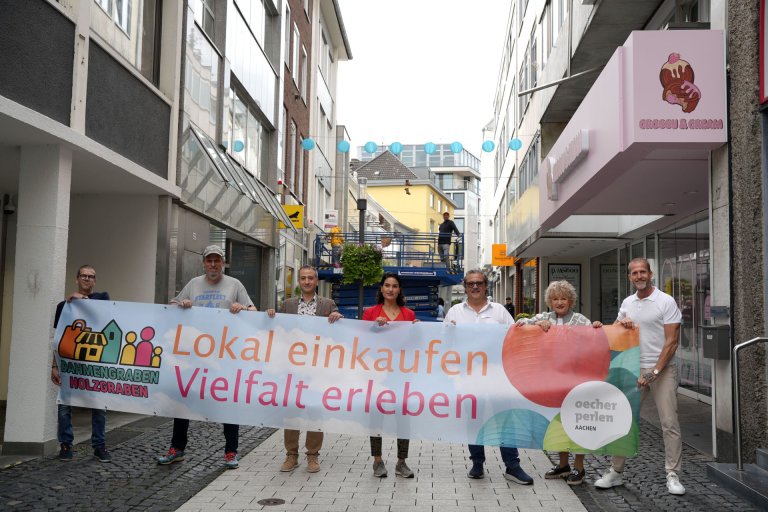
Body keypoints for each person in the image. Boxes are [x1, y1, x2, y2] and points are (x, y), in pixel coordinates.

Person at [157, 245, 256, 470]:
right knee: (183, 400)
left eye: (217, 261)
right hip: (195, 355)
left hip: (224, 355)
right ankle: (177, 448)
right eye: (209, 261)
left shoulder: (234, 285)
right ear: (204, 263)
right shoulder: (193, 284)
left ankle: (231, 451)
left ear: (223, 263)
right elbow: (170, 307)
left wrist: (242, 308)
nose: (213, 264)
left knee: (227, 401)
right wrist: (181, 305)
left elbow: (254, 311)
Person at [594, 257, 685, 495]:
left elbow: (672, 342)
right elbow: (616, 334)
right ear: (630, 277)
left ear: (650, 274)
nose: (639, 276)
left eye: (642, 272)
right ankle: (616, 472)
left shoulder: (665, 301)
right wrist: (606, 326)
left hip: (661, 370)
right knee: (624, 420)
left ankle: (673, 474)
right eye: (634, 273)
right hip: (634, 369)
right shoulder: (628, 302)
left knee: (669, 423)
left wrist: (654, 372)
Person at [443, 270, 534, 485]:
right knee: (474, 420)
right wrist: (449, 333)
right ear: (465, 287)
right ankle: (477, 463)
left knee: (505, 420)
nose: (475, 287)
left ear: (486, 286)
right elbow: (443, 344)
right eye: (471, 283)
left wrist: (524, 327)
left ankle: (512, 466)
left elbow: (514, 338)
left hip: (497, 376)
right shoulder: (455, 312)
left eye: (479, 283)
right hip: (468, 378)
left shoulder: (500, 312)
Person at [515, 280, 602, 485]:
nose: (559, 302)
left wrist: (597, 327)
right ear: (549, 301)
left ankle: (579, 468)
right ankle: (563, 465)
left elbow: (596, 339)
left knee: (578, 422)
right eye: (555, 299)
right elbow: (519, 325)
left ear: (571, 301)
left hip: (577, 380)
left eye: (564, 298)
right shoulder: (544, 318)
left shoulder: (581, 320)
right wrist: (535, 324)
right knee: (559, 422)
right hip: (554, 381)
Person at [267, 265, 342, 473]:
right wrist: (270, 316)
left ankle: (312, 455)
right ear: (298, 282)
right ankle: (291, 455)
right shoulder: (287, 305)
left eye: (310, 278)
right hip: (293, 368)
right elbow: (278, 331)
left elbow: (339, 326)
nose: (307, 282)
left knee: (314, 411)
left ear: (316, 281)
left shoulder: (327, 304)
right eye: (303, 278)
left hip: (317, 369)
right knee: (291, 410)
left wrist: (338, 317)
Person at [51, 265, 112, 463]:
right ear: (76, 279)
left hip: (96, 364)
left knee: (99, 405)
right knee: (65, 405)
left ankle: (99, 445)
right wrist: (54, 365)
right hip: (70, 362)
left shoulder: (103, 299)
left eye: (91, 276)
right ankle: (66, 445)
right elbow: (59, 338)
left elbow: (101, 308)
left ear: (95, 281)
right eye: (83, 275)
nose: (87, 279)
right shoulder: (64, 307)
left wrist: (82, 300)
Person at [362, 273, 418, 478]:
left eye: (395, 286)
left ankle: (401, 462)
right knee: (376, 416)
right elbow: (363, 342)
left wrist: (417, 331)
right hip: (377, 375)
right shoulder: (370, 313)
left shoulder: (409, 315)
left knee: (402, 418)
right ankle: (377, 461)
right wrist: (373, 328)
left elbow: (414, 345)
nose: (391, 289)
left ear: (399, 290)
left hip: (401, 374)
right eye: (387, 285)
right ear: (381, 288)